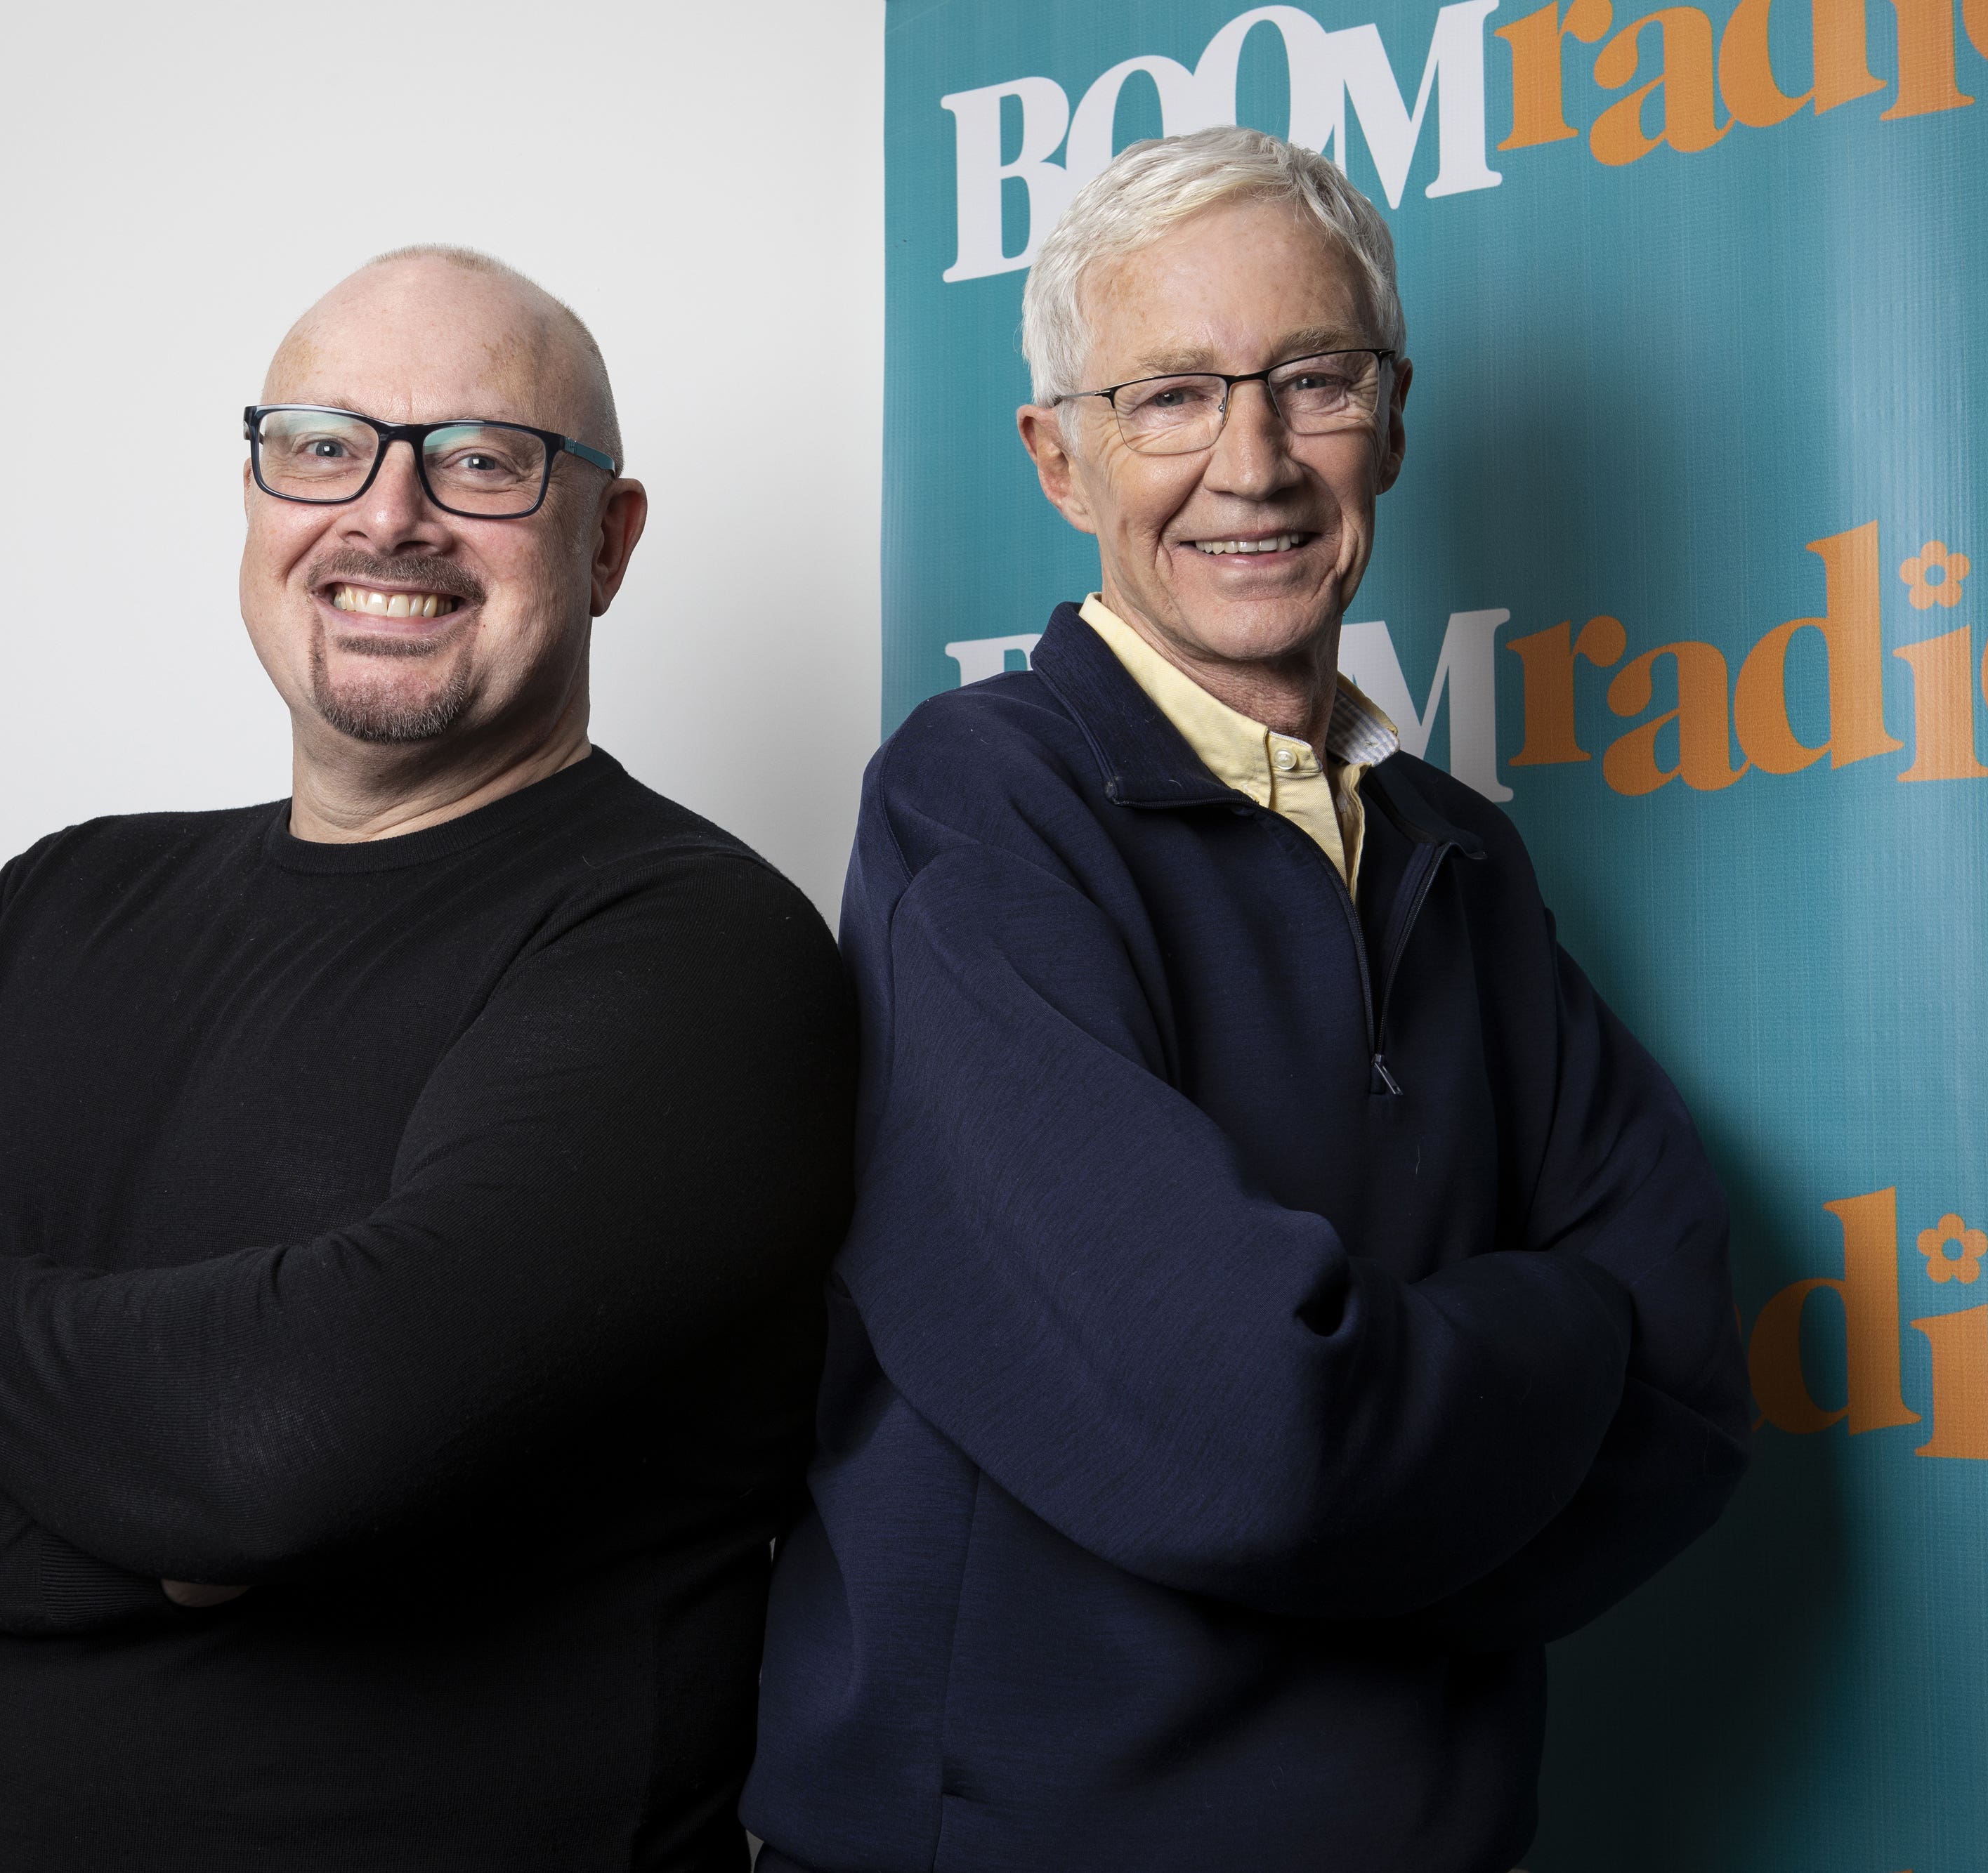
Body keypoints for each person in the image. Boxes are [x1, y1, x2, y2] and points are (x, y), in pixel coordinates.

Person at [0, 246, 856, 1873]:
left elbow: (287, 1433)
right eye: (321, 443)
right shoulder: (65, 899)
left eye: (481, 460)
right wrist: (150, 1545)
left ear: (607, 540)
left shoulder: (694, 945)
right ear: (255, 495)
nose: (386, 515)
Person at [743, 128, 1749, 1873]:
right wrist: (1553, 1329)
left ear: (1393, 417)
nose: (1253, 463)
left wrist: (1391, 1423)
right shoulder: (974, 808)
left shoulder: (1461, 859)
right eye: (1167, 397)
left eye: (1310, 378)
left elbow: (1687, 1394)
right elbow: (1246, 1431)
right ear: (1058, 457)